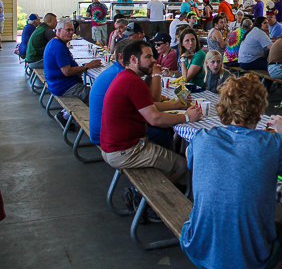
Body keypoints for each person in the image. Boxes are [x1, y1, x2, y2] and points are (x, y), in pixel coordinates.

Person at [181, 74, 282, 269]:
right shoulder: (271, 144)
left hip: (197, 248)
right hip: (248, 260)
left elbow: (189, 157)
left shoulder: (202, 138)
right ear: (259, 109)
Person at [100, 41, 202, 183]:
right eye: (148, 57)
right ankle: (151, 196)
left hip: (111, 147)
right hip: (125, 151)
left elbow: (148, 104)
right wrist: (186, 117)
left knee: (165, 140)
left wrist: (150, 75)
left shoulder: (126, 77)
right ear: (134, 60)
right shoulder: (134, 83)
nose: (154, 60)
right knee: (182, 164)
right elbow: (155, 119)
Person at [89, 39, 135, 146]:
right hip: (105, 134)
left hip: (99, 129)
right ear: (120, 57)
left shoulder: (114, 69)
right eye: (133, 56)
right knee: (161, 136)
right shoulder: (122, 75)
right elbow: (147, 106)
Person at [44, 19, 102, 104]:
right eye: (68, 30)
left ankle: (65, 115)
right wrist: (87, 66)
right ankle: (68, 116)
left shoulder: (55, 42)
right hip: (63, 86)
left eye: (72, 30)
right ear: (59, 30)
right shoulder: (58, 47)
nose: (71, 32)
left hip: (58, 84)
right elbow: (67, 72)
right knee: (98, 96)